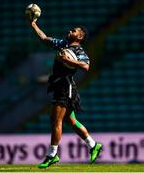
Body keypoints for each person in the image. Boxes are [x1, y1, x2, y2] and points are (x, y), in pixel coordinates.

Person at [29, 19, 102, 168]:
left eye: (74, 30)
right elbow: (44, 38)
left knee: (56, 120)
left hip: (65, 86)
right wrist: (33, 24)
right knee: (71, 121)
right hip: (59, 85)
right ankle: (93, 145)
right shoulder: (63, 44)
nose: (70, 31)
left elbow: (86, 66)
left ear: (80, 37)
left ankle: (52, 154)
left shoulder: (79, 51)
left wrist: (69, 60)